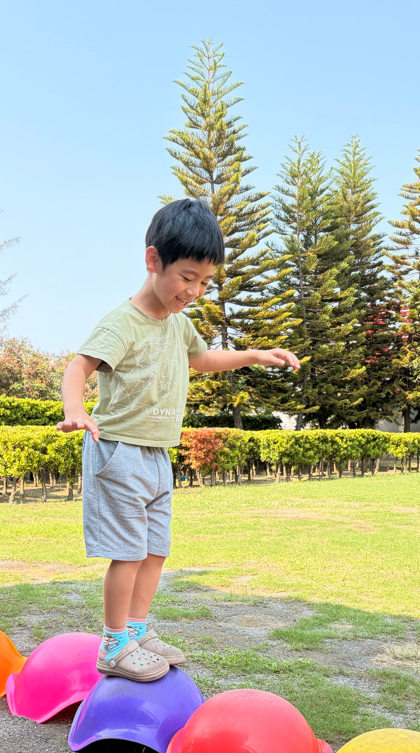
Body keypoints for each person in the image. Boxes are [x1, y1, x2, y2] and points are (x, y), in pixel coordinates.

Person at [57, 199, 299, 682]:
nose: (194, 291)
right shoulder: (122, 322)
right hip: (118, 450)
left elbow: (202, 360)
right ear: (153, 260)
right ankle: (114, 644)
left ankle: (137, 631)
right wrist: (76, 411)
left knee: (155, 549)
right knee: (128, 553)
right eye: (187, 277)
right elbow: (77, 367)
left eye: (205, 282)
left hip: (156, 453)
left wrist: (255, 354)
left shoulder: (180, 324)